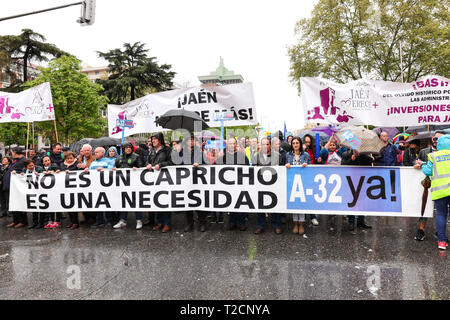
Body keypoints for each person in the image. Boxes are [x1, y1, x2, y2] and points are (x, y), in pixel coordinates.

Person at [418, 134, 450, 250]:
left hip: (440, 191)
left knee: (441, 215)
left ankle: (441, 242)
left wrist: (422, 164)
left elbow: (427, 171)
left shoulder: (433, 156)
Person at [413, 131, 446, 241]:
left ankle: (439, 232)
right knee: (424, 206)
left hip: (441, 186)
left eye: (440, 139)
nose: (437, 141)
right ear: (432, 139)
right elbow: (415, 162)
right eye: (435, 139)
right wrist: (417, 164)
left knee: (441, 211)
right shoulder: (424, 151)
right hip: (426, 185)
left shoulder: (447, 152)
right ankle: (421, 230)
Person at [175, 136, 210, 232]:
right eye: (189, 140)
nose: (191, 141)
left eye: (192, 140)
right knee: (188, 202)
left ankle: (202, 223)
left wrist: (200, 165)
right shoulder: (182, 152)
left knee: (199, 201)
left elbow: (207, 164)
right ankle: (189, 223)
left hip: (198, 181)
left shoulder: (199, 151)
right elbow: (176, 165)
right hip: (186, 182)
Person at [251, 137, 285, 234]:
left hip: (274, 185)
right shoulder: (256, 156)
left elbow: (282, 171)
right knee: (261, 205)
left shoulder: (277, 156)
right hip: (261, 184)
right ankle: (260, 225)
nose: (265, 146)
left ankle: (277, 225)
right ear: (260, 146)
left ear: (270, 145)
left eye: (267, 144)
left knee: (275, 203)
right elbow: (253, 169)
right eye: (263, 144)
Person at [216, 137, 249, 231]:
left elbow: (247, 169)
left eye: (233, 143)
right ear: (227, 145)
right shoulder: (224, 157)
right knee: (231, 203)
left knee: (240, 203)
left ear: (235, 145)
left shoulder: (242, 156)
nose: (231, 145)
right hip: (229, 185)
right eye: (230, 143)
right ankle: (232, 222)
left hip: (240, 184)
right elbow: (218, 169)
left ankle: (241, 222)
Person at [113, 142, 144, 230]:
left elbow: (142, 167)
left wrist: (137, 169)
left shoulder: (136, 156)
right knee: (123, 201)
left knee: (135, 201)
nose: (128, 149)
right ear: (123, 149)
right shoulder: (119, 157)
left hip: (134, 183)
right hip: (123, 183)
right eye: (126, 147)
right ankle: (122, 220)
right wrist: (115, 169)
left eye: (129, 147)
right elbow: (117, 167)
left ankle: (139, 220)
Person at [341, 149, 374, 231]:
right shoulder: (345, 154)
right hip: (350, 181)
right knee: (351, 202)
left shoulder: (364, 155)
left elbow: (370, 161)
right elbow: (343, 166)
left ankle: (361, 221)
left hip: (362, 181)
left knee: (362, 202)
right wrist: (352, 159)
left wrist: (362, 154)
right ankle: (351, 221)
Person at [146, 132, 173, 232]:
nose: (153, 141)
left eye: (155, 139)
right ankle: (160, 222)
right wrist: (148, 164)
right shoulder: (152, 151)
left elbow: (172, 162)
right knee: (157, 201)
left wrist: (161, 165)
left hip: (165, 180)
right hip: (154, 180)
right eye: (152, 139)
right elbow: (147, 161)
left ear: (160, 140)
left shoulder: (168, 150)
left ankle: (167, 223)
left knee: (165, 201)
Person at [285, 137, 310, 235]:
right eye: (293, 143)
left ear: (300, 144)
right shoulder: (288, 155)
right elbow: (285, 167)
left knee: (302, 203)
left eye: (297, 143)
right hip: (292, 182)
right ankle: (295, 223)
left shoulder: (306, 155)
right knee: (294, 203)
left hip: (303, 182)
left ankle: (301, 224)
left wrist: (307, 166)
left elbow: (312, 168)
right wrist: (286, 165)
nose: (295, 145)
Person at [87, 147, 115, 228]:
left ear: (103, 153)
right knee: (98, 203)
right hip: (96, 186)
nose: (95, 154)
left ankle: (109, 220)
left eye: (97, 152)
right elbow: (89, 172)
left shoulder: (109, 161)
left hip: (107, 186)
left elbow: (112, 170)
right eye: (94, 152)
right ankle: (99, 220)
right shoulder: (93, 163)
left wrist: (103, 169)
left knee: (107, 203)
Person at [16, 159, 46, 229]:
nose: (32, 167)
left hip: (40, 190)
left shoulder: (39, 168)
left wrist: (39, 174)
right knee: (34, 207)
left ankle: (41, 223)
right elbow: (19, 174)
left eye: (32, 165)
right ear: (26, 167)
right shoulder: (24, 169)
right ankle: (35, 223)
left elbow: (44, 175)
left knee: (41, 207)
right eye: (29, 166)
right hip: (31, 191)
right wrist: (18, 173)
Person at [5, 147, 27, 228]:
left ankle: (23, 221)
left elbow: (25, 171)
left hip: (18, 186)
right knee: (13, 204)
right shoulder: (16, 160)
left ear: (16, 152)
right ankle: (15, 220)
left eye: (12, 152)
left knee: (19, 203)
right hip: (11, 185)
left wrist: (17, 172)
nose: (11, 154)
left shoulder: (24, 160)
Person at [60, 151, 81, 230]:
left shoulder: (77, 164)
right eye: (68, 158)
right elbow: (60, 171)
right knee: (68, 205)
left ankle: (76, 222)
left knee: (73, 205)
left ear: (74, 158)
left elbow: (80, 172)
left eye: (71, 158)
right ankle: (71, 221)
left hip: (74, 187)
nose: (69, 160)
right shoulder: (62, 164)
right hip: (65, 188)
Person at [303, 134, 319, 226]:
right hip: (304, 174)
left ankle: (313, 217)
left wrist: (319, 160)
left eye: (309, 142)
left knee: (311, 196)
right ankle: (304, 217)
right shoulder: (302, 150)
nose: (307, 144)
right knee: (304, 196)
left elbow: (317, 161)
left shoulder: (314, 149)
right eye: (306, 142)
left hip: (312, 174)